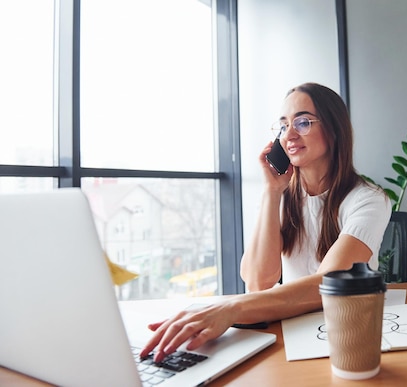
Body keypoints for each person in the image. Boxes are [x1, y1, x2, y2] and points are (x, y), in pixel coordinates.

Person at [141, 82, 391, 362]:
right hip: (294, 330)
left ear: (334, 131)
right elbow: (258, 281)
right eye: (284, 126)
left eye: (303, 122)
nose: (290, 135)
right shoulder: (282, 195)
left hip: (348, 334)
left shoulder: (368, 199)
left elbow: (331, 285)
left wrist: (232, 308)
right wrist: (272, 192)